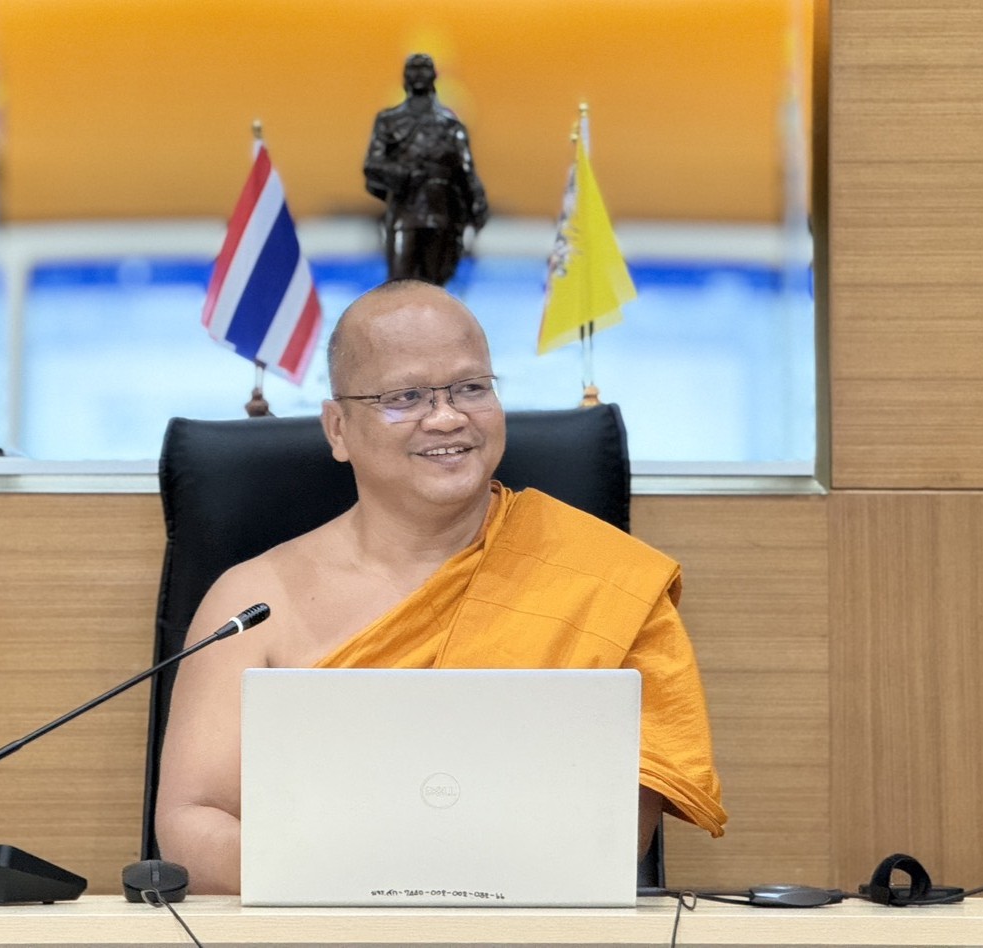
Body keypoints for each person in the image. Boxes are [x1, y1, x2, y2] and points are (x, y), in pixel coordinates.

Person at [155, 279, 727, 894]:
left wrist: (417, 883)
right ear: (338, 428)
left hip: (532, 926)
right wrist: (378, 886)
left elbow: (611, 836)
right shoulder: (254, 604)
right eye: (405, 397)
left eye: (471, 388)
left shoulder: (606, 581)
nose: (448, 417)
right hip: (318, 925)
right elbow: (192, 823)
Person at [363, 54, 489, 286]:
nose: (418, 75)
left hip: (441, 216)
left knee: (435, 287)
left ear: (433, 77)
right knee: (400, 286)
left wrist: (477, 207)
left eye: (424, 70)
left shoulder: (451, 126)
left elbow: (465, 173)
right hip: (404, 214)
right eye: (414, 70)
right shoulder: (388, 121)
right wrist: (403, 174)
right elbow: (372, 166)